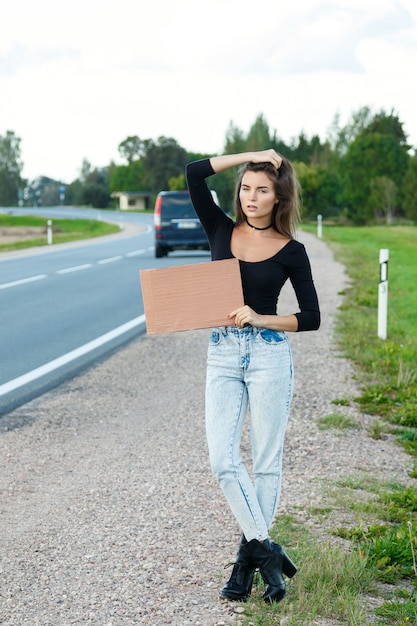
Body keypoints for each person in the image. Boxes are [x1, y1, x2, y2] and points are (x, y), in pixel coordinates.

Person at [185, 150, 320, 604]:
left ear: (278, 196)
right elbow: (194, 173)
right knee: (223, 460)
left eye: (262, 189)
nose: (250, 197)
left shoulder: (292, 251)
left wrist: (261, 318)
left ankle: (245, 565)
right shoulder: (221, 228)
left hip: (268, 357)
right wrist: (253, 156)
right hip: (222, 354)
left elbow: (312, 317)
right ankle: (267, 553)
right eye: (245, 187)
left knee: (265, 463)